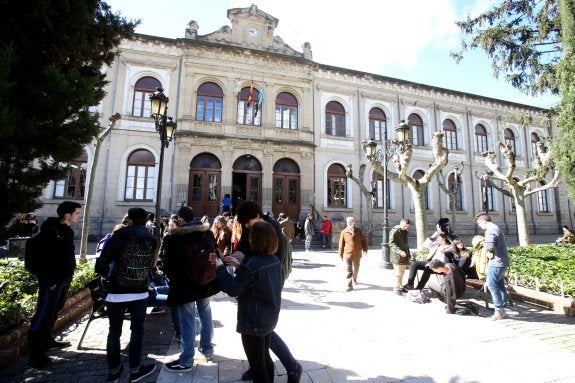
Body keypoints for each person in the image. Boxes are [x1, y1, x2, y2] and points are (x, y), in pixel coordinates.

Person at [234, 201, 302, 383]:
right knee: (262, 333)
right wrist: (235, 255)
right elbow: (243, 246)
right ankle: (259, 366)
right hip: (255, 279)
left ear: (257, 216)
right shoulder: (249, 224)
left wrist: (244, 261)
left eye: (248, 223)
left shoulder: (270, 229)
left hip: (267, 283)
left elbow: (270, 262)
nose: (246, 227)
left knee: (263, 330)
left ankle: (291, 366)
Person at [213, 221, 282, 383]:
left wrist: (220, 268)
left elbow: (233, 289)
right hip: (269, 318)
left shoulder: (253, 264)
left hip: (254, 322)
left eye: (251, 236)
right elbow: (257, 279)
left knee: (258, 365)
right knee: (265, 358)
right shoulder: (273, 259)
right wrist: (239, 265)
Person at [95, 207, 157, 383]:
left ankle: (114, 371)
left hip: (117, 293)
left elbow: (101, 265)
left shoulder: (118, 236)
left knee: (114, 332)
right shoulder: (151, 239)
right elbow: (151, 266)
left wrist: (110, 277)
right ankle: (135, 369)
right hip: (140, 293)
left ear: (129, 219)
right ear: (145, 221)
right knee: (137, 331)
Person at [161, 206, 217, 371]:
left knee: (187, 319)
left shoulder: (175, 237)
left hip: (185, 284)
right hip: (205, 280)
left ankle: (186, 360)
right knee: (205, 312)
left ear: (180, 219)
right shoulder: (207, 233)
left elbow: (168, 264)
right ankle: (207, 350)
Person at [26, 201, 81, 369]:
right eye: (77, 213)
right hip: (51, 282)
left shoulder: (67, 232)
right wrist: (48, 280)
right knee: (42, 316)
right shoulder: (49, 233)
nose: (78, 216)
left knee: (53, 312)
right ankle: (35, 355)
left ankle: (48, 340)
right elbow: (33, 260)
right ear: (67, 215)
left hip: (63, 280)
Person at [474, 212, 510, 320]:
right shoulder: (497, 228)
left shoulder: (490, 230)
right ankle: (503, 309)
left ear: (483, 221)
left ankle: (498, 310)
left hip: (496, 263)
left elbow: (489, 247)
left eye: (479, 224)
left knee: (492, 285)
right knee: (500, 285)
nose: (480, 226)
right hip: (503, 262)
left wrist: (481, 243)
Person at [338, 217, 368, 291]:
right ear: (347, 223)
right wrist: (340, 254)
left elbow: (364, 241)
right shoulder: (344, 232)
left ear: (354, 222)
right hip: (348, 254)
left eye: (352, 221)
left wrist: (365, 249)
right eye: (349, 222)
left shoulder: (358, 231)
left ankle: (354, 278)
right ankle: (349, 285)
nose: (350, 223)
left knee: (356, 268)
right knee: (349, 270)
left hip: (357, 253)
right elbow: (341, 244)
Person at [389, 218, 411, 295]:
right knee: (398, 273)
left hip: (405, 254)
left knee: (402, 272)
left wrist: (408, 254)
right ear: (401, 223)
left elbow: (405, 244)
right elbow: (391, 243)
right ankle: (396, 288)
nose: (406, 228)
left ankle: (400, 287)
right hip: (397, 255)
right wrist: (399, 251)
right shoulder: (395, 231)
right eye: (404, 226)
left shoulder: (405, 231)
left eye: (407, 227)